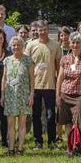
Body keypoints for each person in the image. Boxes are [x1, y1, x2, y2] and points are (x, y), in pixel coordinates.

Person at [56, 32, 81, 157]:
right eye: (73, 42)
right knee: (67, 122)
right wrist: (58, 95)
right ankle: (70, 148)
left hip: (80, 95)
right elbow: (60, 78)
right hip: (65, 95)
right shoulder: (65, 59)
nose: (75, 44)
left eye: (78, 42)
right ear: (70, 43)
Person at [25, 20, 61, 150]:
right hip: (35, 86)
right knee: (36, 115)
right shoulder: (30, 45)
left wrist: (58, 85)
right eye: (40, 30)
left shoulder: (56, 45)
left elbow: (58, 67)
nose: (42, 32)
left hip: (50, 85)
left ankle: (51, 141)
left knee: (51, 115)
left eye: (45, 29)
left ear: (48, 30)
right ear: (37, 31)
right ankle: (38, 141)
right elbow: (27, 65)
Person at [1, 36, 34, 154]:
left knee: (22, 123)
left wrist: (31, 94)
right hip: (10, 95)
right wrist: (2, 95)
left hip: (23, 95)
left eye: (18, 45)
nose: (16, 47)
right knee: (10, 124)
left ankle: (19, 148)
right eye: (14, 45)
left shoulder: (28, 60)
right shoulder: (7, 60)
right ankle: (10, 148)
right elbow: (4, 78)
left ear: (23, 46)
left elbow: (32, 79)